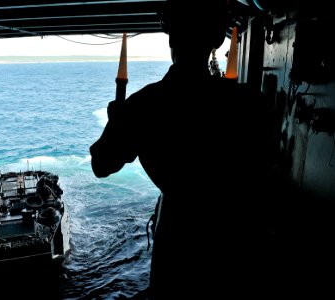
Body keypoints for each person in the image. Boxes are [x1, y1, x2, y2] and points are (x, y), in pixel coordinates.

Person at [90, 0, 275, 298]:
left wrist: (117, 121)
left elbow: (102, 165)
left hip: (177, 238)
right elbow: (262, 167)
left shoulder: (145, 105)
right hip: (235, 238)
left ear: (171, 38)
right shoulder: (249, 103)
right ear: (216, 40)